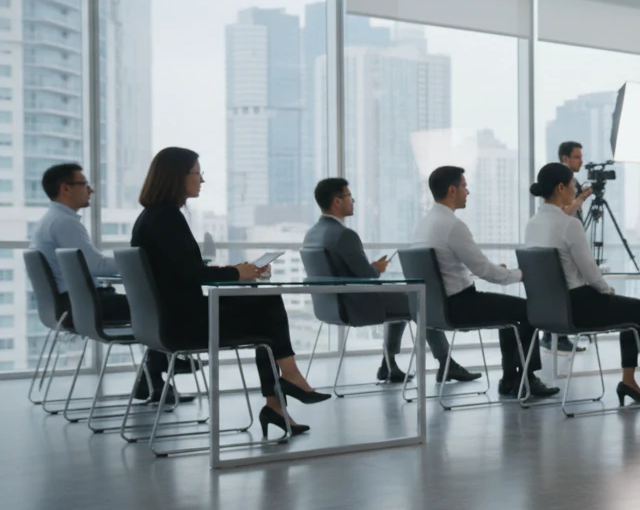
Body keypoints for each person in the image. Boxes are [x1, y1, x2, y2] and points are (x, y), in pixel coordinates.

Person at [131, 147, 331, 438]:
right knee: (267, 305)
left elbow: (184, 269)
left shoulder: (151, 217)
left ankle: (278, 401)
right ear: (177, 177)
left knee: (263, 309)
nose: (202, 180)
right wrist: (238, 273)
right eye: (197, 173)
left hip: (163, 321)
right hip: (181, 324)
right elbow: (192, 274)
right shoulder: (167, 218)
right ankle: (287, 380)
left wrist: (237, 270)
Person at [524, 163, 640, 404]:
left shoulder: (532, 224)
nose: (575, 189)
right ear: (561, 187)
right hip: (577, 307)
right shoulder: (570, 225)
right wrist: (606, 290)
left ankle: (634, 381)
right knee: (637, 308)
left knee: (630, 313)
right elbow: (590, 271)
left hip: (547, 311)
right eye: (572, 185)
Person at [303, 178, 480, 385]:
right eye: (350, 196)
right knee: (422, 302)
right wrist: (376, 269)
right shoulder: (343, 235)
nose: (353, 201)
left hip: (332, 305)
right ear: (337, 201)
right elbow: (365, 276)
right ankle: (446, 363)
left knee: (404, 297)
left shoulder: (312, 234)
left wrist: (371, 270)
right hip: (356, 305)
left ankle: (389, 365)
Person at [30, 163, 181, 402]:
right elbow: (94, 265)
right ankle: (163, 370)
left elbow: (90, 264)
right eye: (84, 184)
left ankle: (154, 376)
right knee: (161, 308)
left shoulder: (50, 220)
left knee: (155, 306)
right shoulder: (64, 222)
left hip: (69, 304)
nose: (90, 190)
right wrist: (142, 263)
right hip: (85, 305)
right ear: (65, 188)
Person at [414, 166, 558, 398]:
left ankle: (512, 378)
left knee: (508, 313)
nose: (468, 191)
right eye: (464, 186)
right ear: (452, 190)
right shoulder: (452, 225)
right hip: (459, 305)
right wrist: (519, 274)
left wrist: (495, 272)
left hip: (435, 308)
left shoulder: (425, 224)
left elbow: (446, 271)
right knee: (528, 309)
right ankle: (526, 378)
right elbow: (484, 270)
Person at [546, 143, 594, 354]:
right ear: (565, 159)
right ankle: (555, 336)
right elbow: (563, 215)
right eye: (576, 157)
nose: (581, 161)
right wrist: (581, 198)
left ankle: (554, 336)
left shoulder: (567, 186)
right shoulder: (557, 183)